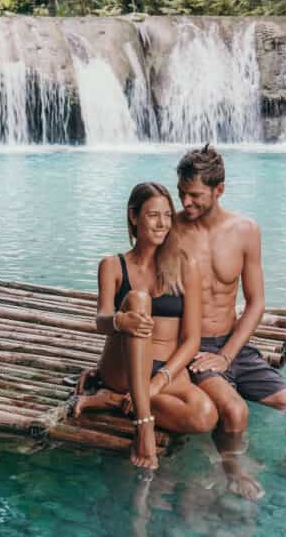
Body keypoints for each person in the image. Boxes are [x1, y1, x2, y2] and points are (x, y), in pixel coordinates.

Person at [160, 144, 286, 496]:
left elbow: (255, 303)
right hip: (193, 348)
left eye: (194, 195)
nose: (185, 203)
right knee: (235, 413)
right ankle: (231, 471)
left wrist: (227, 354)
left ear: (218, 189)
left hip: (234, 348)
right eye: (181, 193)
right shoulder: (169, 230)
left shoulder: (246, 230)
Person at [73, 182, 218, 471]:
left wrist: (158, 382)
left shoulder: (185, 266)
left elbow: (191, 339)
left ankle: (113, 401)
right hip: (122, 367)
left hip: (166, 370)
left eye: (167, 215)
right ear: (134, 216)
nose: (163, 223)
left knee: (205, 415)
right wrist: (119, 320)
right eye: (153, 215)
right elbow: (101, 321)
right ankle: (143, 425)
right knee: (138, 300)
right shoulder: (112, 266)